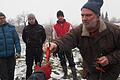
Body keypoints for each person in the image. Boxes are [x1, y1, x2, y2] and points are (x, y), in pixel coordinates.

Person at [43, 0, 120, 80]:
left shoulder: (114, 31)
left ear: (98, 16)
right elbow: (67, 39)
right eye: (82, 15)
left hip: (110, 74)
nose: (84, 19)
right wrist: (55, 45)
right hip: (91, 73)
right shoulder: (79, 31)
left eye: (88, 15)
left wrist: (109, 59)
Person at [52, 10, 78, 79]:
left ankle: (74, 76)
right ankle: (65, 74)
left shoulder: (68, 25)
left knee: (71, 60)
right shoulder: (55, 26)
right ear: (57, 17)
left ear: (63, 16)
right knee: (62, 60)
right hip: (60, 46)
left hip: (68, 45)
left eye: (61, 16)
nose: (60, 17)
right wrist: (54, 49)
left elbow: (73, 35)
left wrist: (72, 43)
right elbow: (54, 37)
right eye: (59, 16)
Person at [22, 13, 46, 79]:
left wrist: (40, 43)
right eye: (29, 19)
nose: (31, 20)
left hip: (38, 50)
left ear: (35, 19)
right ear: (28, 20)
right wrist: (28, 43)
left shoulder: (40, 27)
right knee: (29, 66)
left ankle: (38, 78)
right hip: (29, 50)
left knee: (38, 66)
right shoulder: (26, 29)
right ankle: (28, 78)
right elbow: (24, 38)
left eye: (32, 19)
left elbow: (44, 37)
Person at [0, 12, 21, 80]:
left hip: (11, 56)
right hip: (1, 58)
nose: (2, 20)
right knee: (4, 76)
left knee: (11, 74)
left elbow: (17, 40)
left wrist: (18, 51)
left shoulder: (11, 28)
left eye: (3, 18)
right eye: (0, 19)